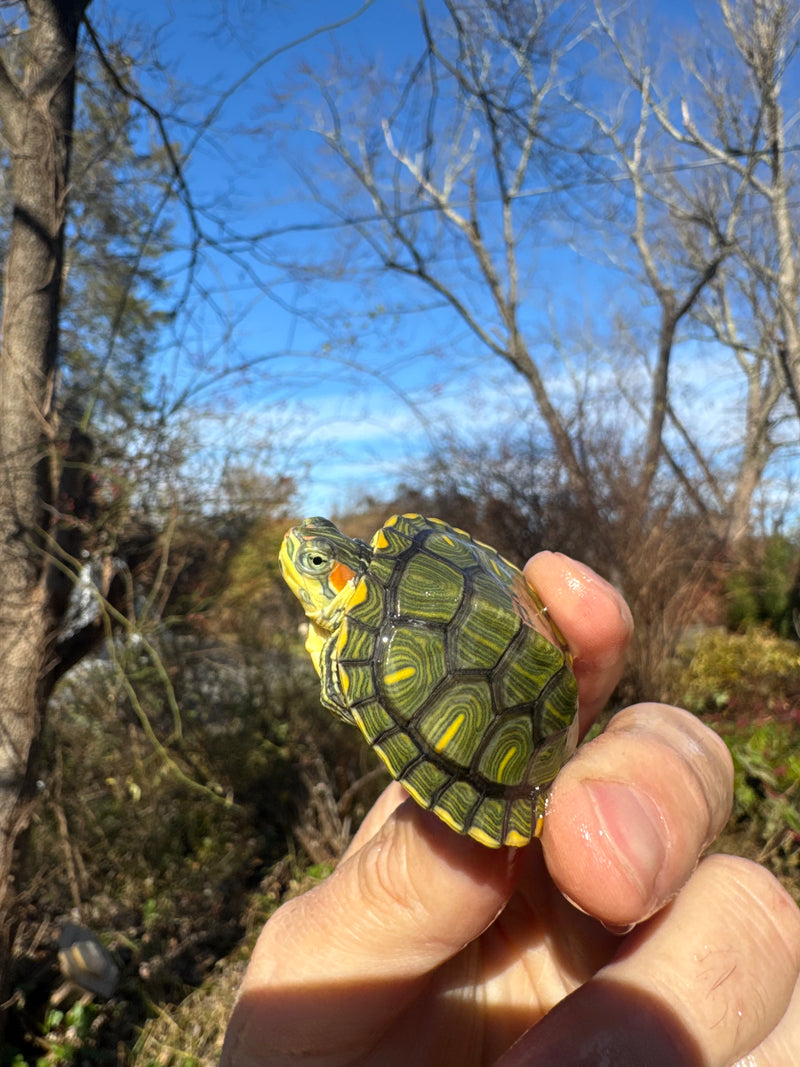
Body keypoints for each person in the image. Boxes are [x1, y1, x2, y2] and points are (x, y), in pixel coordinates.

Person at [222, 552, 800, 1066]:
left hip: (513, 754)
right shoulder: (404, 576)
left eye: (323, 562)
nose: (304, 555)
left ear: (348, 578)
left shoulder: (386, 610)